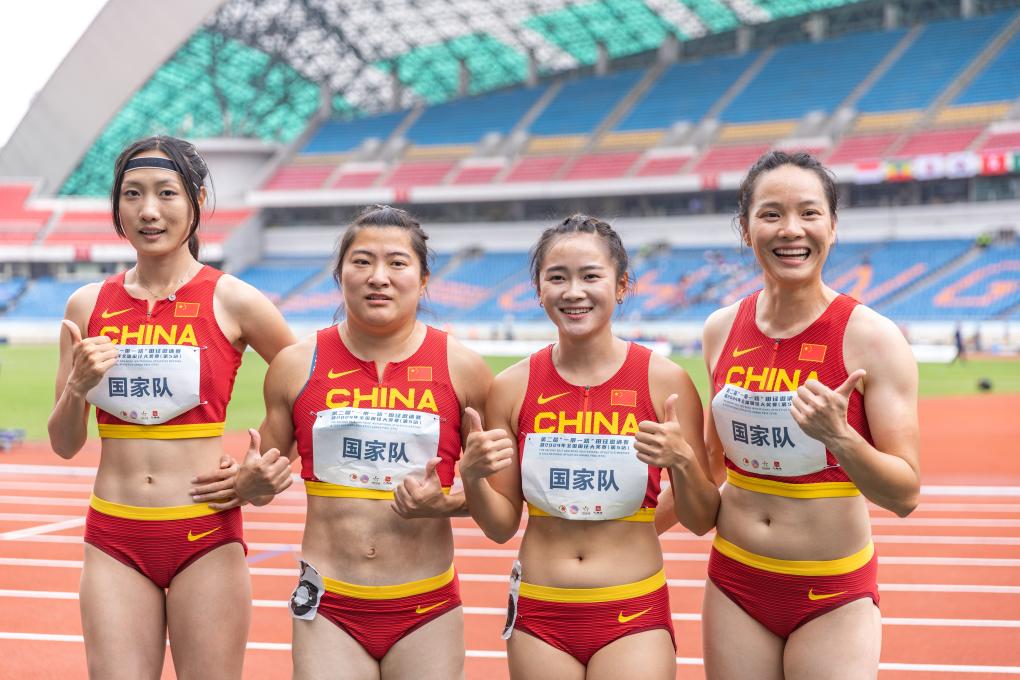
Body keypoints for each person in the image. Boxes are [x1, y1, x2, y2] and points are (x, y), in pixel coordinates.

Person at [48, 135, 295, 679]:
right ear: (117, 205)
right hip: (114, 535)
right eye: (132, 194)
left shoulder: (234, 299)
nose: (148, 210)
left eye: (166, 192)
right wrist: (77, 387)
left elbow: (309, 389)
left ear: (197, 201)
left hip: (205, 532)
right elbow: (64, 444)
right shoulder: (86, 305)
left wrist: (263, 471)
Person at [224, 205, 491, 679]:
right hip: (329, 605)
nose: (378, 277)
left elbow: (502, 501)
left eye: (397, 263)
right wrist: (249, 484)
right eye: (362, 261)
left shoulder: (464, 369)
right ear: (340, 274)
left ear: (423, 280)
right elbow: (260, 483)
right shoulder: (295, 365)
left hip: (425, 607)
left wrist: (446, 503)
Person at [461, 214, 719, 679]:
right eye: (557, 278)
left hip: (633, 609)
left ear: (621, 286)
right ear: (539, 290)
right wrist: (472, 476)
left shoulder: (666, 382)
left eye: (590, 276)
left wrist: (682, 460)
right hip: (541, 610)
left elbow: (701, 520)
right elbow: (500, 527)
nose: (573, 292)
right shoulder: (511, 388)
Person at [698, 151, 920, 679]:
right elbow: (709, 468)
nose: (791, 230)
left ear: (833, 226)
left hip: (832, 590)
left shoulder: (873, 338)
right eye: (771, 214)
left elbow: (905, 494)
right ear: (746, 230)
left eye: (809, 212)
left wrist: (840, 437)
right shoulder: (720, 329)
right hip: (735, 583)